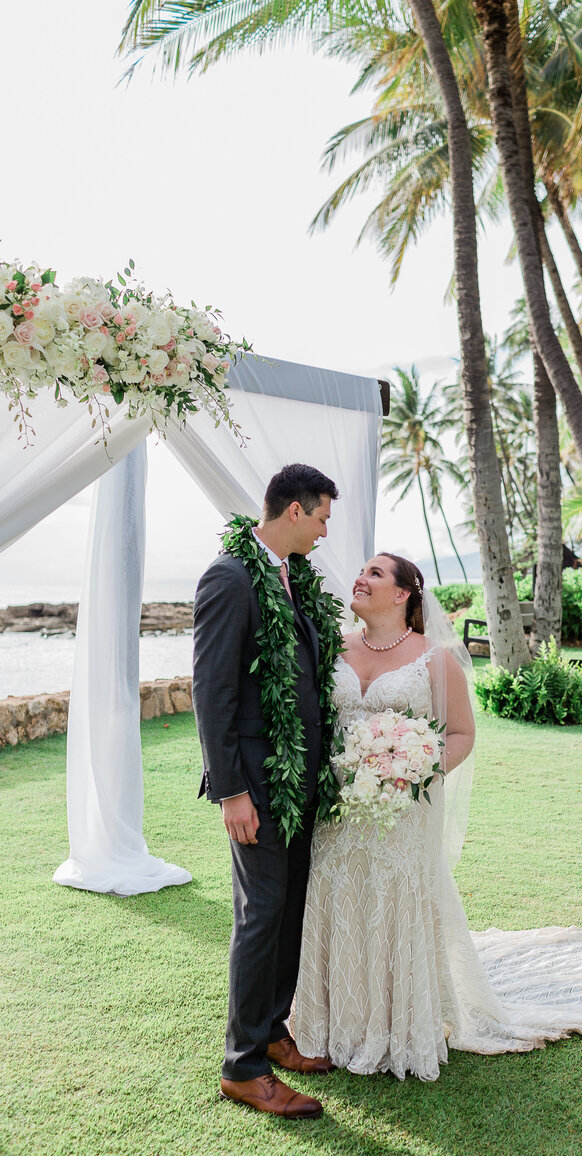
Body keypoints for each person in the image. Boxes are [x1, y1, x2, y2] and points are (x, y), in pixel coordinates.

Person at [294, 553, 582, 1082]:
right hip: (338, 810)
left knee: (391, 900)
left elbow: (460, 735)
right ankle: (332, 1020)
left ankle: (393, 1027)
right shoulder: (332, 648)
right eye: (360, 569)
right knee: (338, 897)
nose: (359, 578)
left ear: (404, 593)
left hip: (398, 812)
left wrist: (411, 773)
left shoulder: (434, 659)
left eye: (375, 573)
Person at [192, 463, 343, 1120]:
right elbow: (212, 692)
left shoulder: (290, 577)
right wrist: (231, 792)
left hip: (299, 780)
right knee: (260, 916)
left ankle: (275, 1033)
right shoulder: (229, 578)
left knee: (288, 911)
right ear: (293, 511)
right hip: (256, 784)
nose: (325, 532)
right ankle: (242, 1067)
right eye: (322, 518)